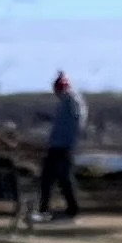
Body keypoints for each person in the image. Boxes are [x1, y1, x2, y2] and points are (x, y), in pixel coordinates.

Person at [35, 70, 85, 222]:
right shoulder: (65, 102)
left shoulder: (72, 100)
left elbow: (77, 120)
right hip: (56, 145)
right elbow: (63, 121)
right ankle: (45, 209)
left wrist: (71, 137)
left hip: (64, 146)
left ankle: (71, 209)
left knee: (64, 178)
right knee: (49, 178)